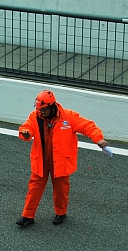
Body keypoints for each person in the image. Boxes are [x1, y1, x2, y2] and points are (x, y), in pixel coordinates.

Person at [16, 89, 109, 227]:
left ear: (52, 106)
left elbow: (88, 126)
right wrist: (25, 133)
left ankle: (61, 212)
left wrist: (98, 139)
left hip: (60, 162)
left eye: (44, 110)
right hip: (41, 160)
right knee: (34, 189)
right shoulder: (35, 116)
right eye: (39, 110)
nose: (41, 113)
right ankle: (27, 216)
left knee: (61, 190)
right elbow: (27, 127)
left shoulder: (69, 117)